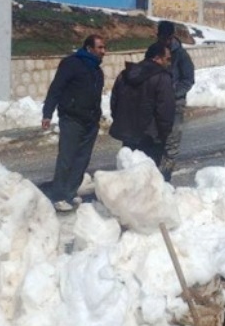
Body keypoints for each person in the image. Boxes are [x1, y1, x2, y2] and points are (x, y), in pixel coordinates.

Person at [42, 34, 106, 211]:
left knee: (82, 159)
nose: (104, 52)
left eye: (104, 48)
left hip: (90, 121)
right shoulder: (72, 64)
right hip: (72, 119)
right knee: (67, 157)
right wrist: (47, 113)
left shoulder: (97, 71)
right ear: (89, 48)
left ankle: (70, 193)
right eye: (100, 47)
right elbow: (56, 88)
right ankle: (59, 195)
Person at [108, 43, 175, 167]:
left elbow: (114, 104)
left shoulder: (125, 75)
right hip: (151, 137)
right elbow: (165, 110)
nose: (169, 63)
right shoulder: (162, 78)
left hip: (128, 135)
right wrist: (164, 133)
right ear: (157, 58)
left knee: (130, 171)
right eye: (168, 59)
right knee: (149, 175)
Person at [151, 20, 195, 181]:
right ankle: (153, 177)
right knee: (155, 141)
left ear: (172, 37)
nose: (165, 41)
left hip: (175, 105)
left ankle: (165, 178)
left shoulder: (181, 55)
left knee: (171, 143)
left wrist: (172, 94)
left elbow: (188, 80)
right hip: (155, 104)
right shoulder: (153, 50)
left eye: (168, 38)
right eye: (162, 37)